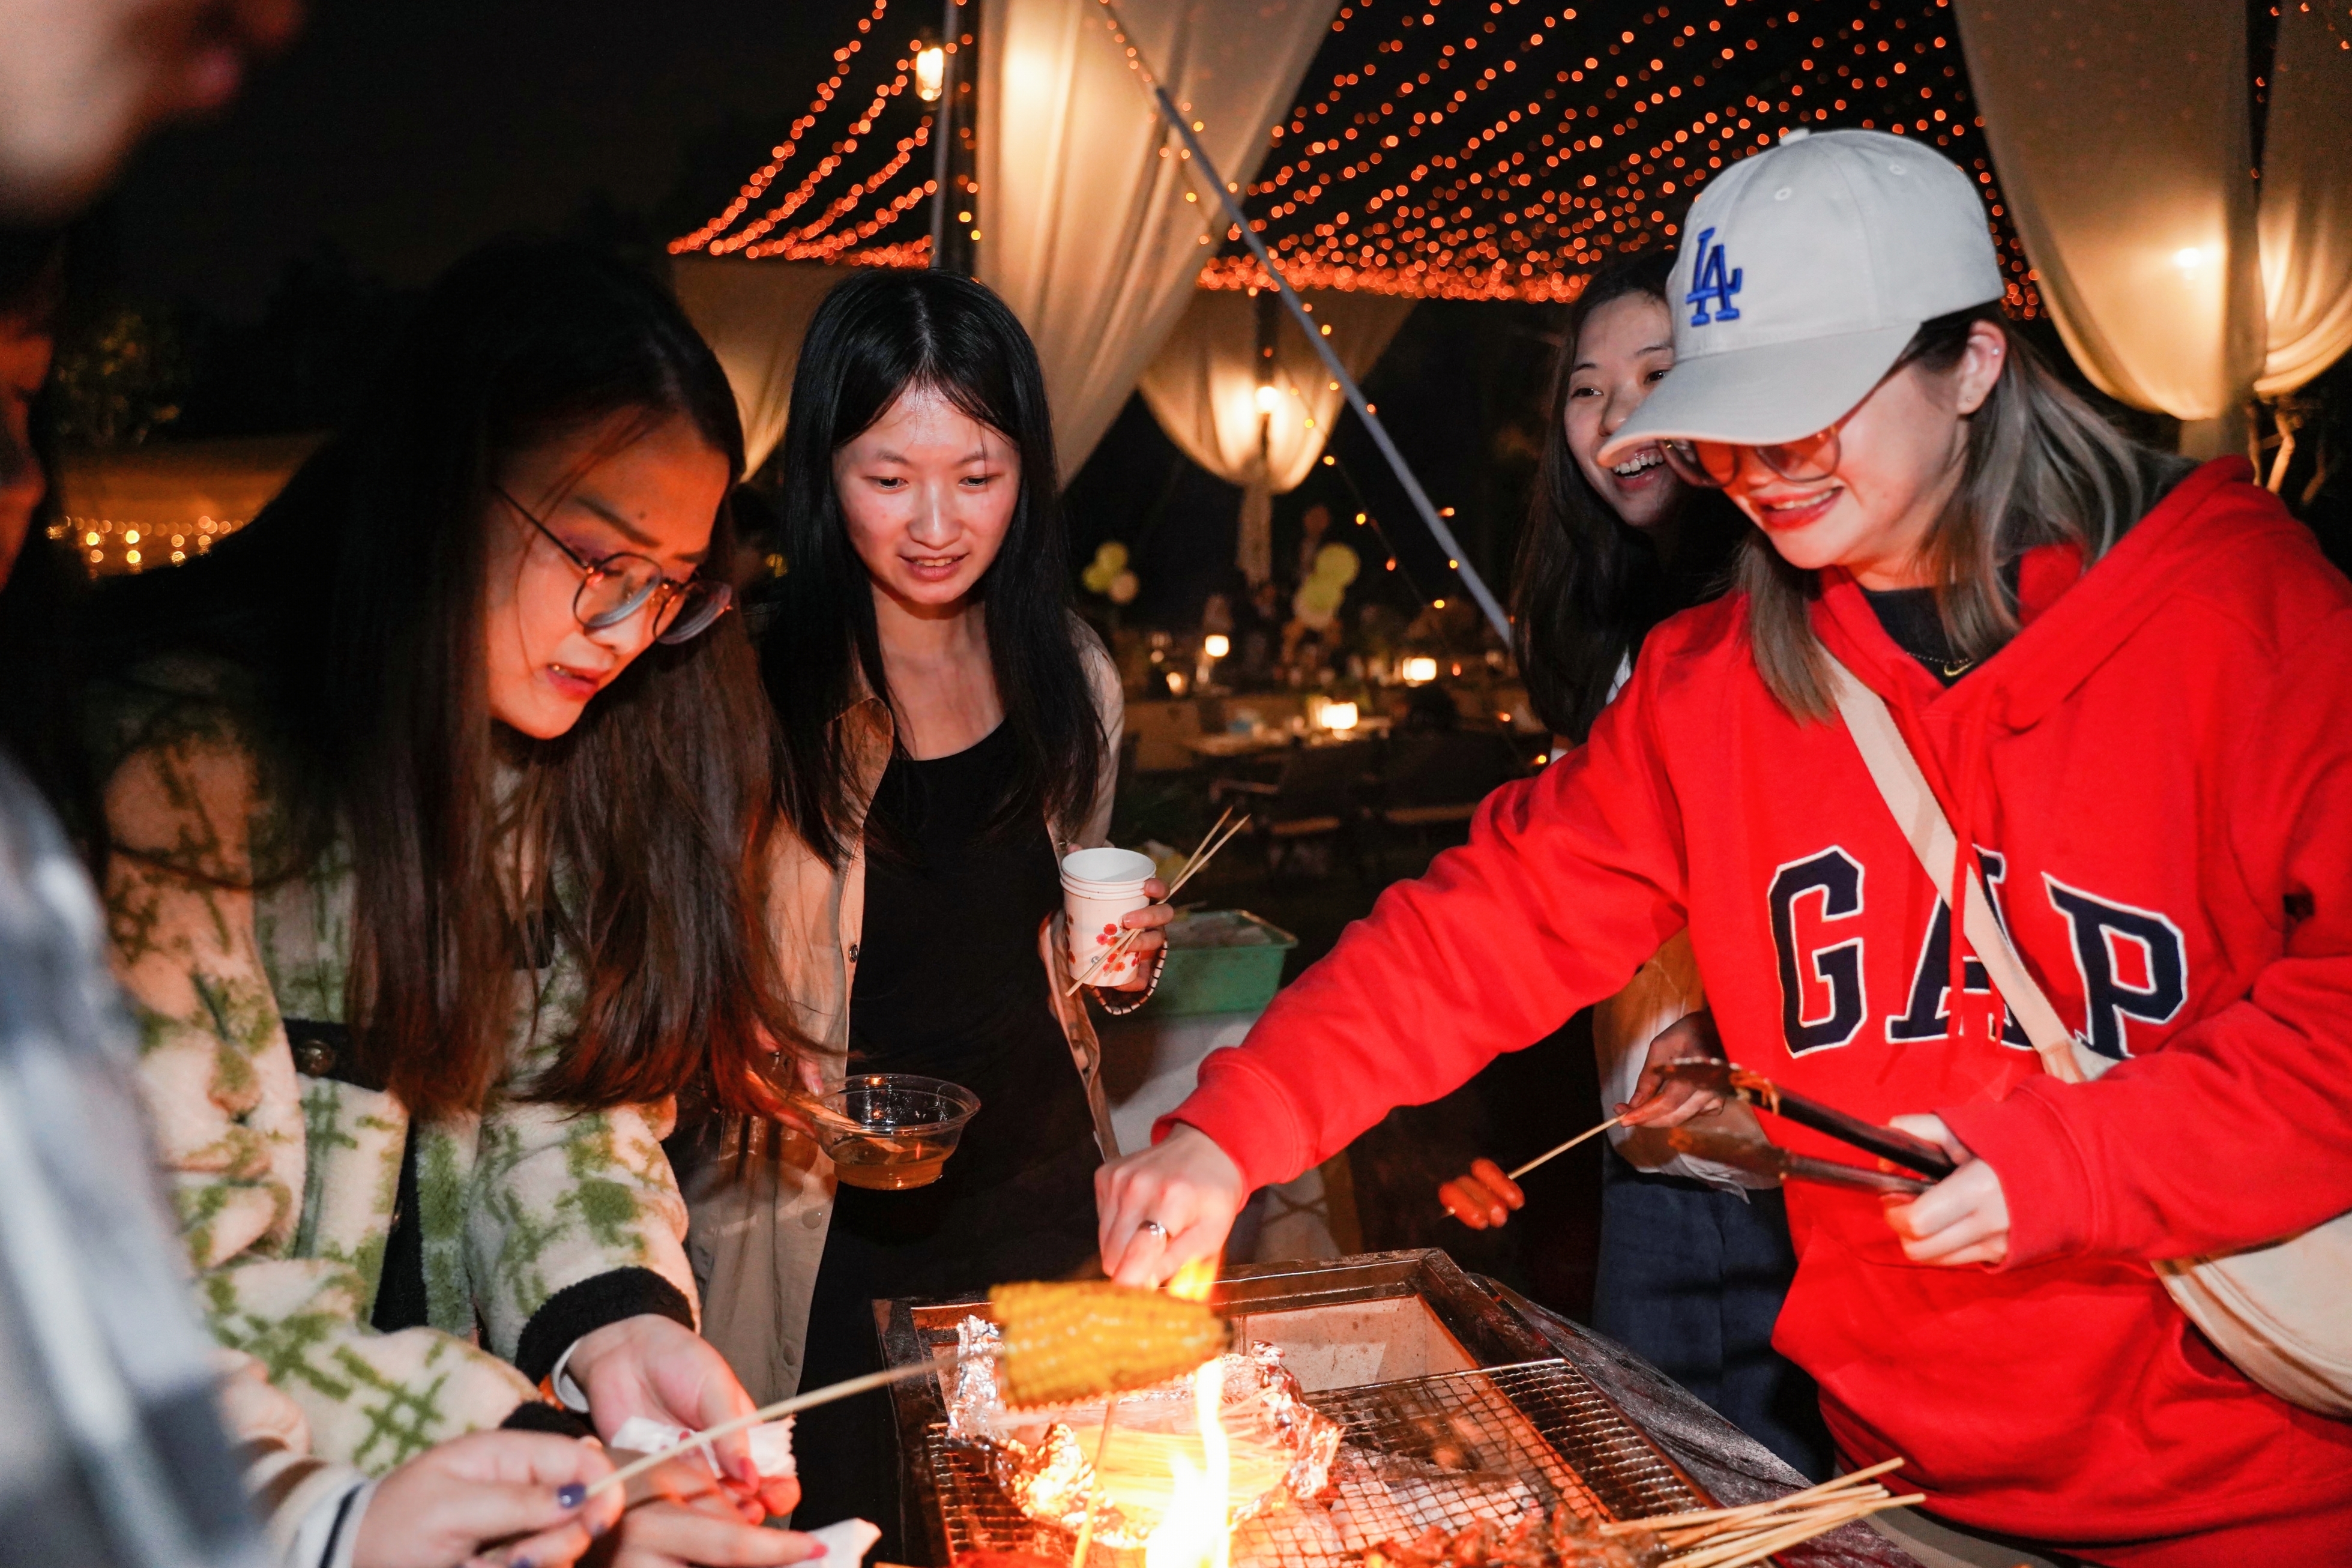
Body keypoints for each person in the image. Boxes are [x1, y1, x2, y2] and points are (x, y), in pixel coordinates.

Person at [1097, 130, 2352, 1564]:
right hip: (1901, 1492)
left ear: (1976, 368)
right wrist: (1227, 1129)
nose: (1764, 465)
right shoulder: (1716, 687)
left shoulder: (2243, 622)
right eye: (1737, 416)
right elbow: (1486, 927)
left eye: (1816, 405)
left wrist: (2077, 1160)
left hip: (2260, 1492)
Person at [83, 241, 815, 1567]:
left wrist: (622, 1329)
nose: (625, 629)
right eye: (599, 554)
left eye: (671, 587)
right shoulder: (177, 769)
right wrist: (525, 1442)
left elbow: (562, 1105)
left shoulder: (553, 752)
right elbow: (165, 1287)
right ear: (437, 490)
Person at [676, 269, 1169, 1554]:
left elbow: (1062, 945)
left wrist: (1121, 968)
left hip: (1045, 1207)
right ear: (824, 474)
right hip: (826, 1234)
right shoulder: (746, 689)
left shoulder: (1075, 676)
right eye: (889, 476)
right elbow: (658, 973)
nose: (936, 522)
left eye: (979, 472)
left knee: (1059, 1525)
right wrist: (734, 1040)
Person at [1436, 253, 1829, 1479]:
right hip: (1649, 1159)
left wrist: (1725, 1012)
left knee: (1808, 1517)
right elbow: (1570, 907)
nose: (1621, 421)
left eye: (1657, 377)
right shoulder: (1604, 627)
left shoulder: (1794, 602)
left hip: (1797, 1175)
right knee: (1663, 1498)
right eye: (1589, 391)